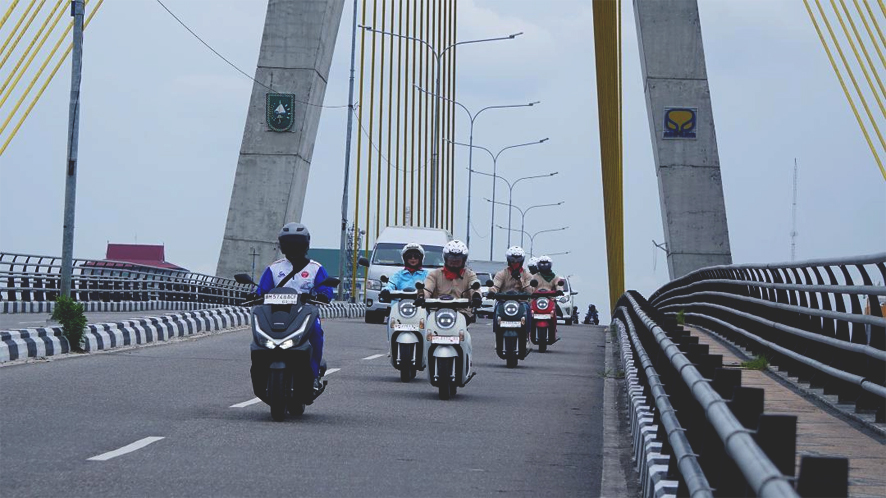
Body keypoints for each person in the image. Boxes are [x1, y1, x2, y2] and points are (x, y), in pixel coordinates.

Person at [256, 222, 333, 390]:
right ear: (282, 245)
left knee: (317, 334)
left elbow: (326, 289)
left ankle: (313, 375)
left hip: (306, 314)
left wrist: (323, 295)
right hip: (276, 314)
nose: (293, 247)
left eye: (296, 243)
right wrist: (255, 296)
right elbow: (262, 290)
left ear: (305, 245)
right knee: (258, 338)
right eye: (289, 243)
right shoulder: (274, 268)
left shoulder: (315, 268)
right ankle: (260, 373)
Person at [420, 240, 482, 323]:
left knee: (463, 327)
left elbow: (474, 287)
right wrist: (422, 297)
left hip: (462, 312)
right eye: (451, 259)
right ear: (446, 258)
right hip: (436, 312)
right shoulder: (434, 274)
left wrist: (476, 296)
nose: (454, 261)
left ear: (463, 260)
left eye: (458, 259)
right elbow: (427, 289)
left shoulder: (469, 274)